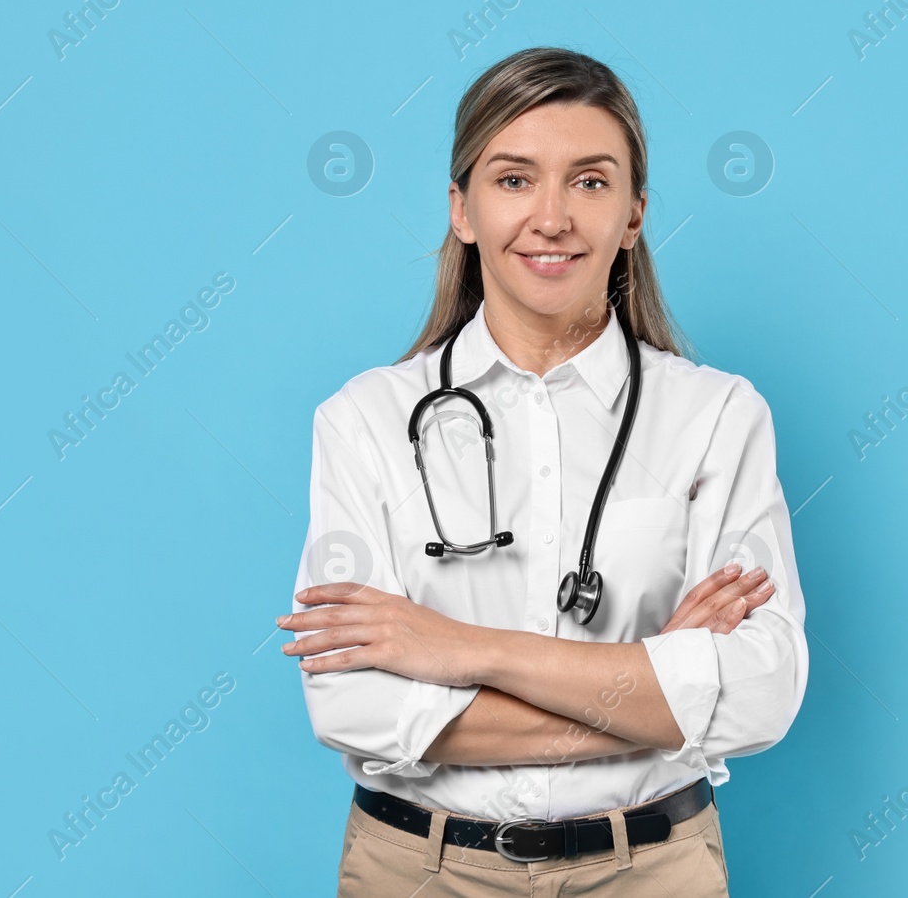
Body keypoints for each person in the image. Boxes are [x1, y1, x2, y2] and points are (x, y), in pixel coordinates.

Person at [278, 47, 808, 896]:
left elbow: (760, 691)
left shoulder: (716, 417)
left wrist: (456, 648)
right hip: (421, 872)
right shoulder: (365, 419)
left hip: (653, 871)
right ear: (462, 208)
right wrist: (657, 682)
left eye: (591, 182)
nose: (552, 216)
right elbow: (353, 707)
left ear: (634, 214)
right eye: (515, 179)